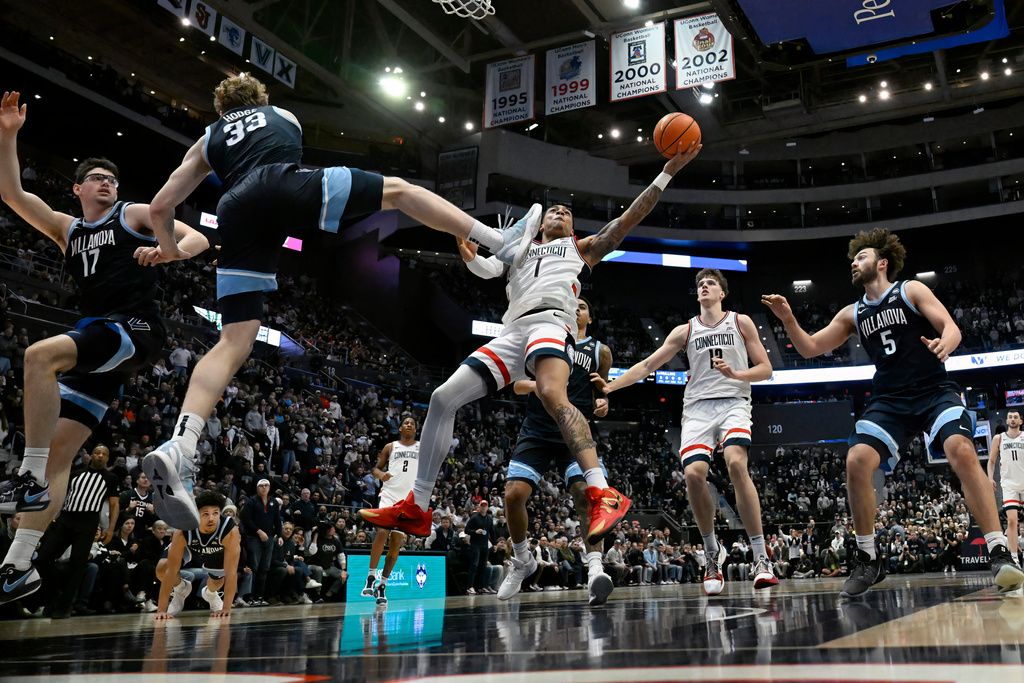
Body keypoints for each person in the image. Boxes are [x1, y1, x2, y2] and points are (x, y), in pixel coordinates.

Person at [140, 73, 536, 530]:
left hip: (234, 207)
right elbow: (282, 166)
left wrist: (169, 250)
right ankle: (497, 240)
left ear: (221, 107)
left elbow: (159, 207)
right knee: (400, 192)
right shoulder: (282, 115)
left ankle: (181, 445)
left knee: (233, 340)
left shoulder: (208, 138)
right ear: (260, 100)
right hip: (278, 183)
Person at [362, 140, 702, 544]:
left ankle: (601, 489)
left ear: (572, 228)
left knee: (551, 394)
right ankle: (417, 507)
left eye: (567, 212)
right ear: (540, 224)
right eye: (554, 210)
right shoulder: (519, 251)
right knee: (441, 397)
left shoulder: (580, 248)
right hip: (511, 331)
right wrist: (468, 253)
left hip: (551, 322)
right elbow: (484, 267)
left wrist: (668, 171)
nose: (560, 212)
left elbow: (628, 219)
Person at [0, 91, 207, 601]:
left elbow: (197, 238)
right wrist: (8, 135)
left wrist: (167, 251)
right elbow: (11, 195)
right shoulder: (66, 229)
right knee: (59, 458)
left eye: (111, 179)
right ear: (78, 189)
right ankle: (18, 565)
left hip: (134, 330)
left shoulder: (132, 214)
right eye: (97, 178)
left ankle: (24, 473)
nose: (107, 183)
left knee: (37, 355)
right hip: (99, 344)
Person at [761, 227, 1024, 597]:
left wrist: (944, 344)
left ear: (882, 263)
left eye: (862, 257)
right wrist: (788, 318)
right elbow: (809, 349)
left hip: (934, 390)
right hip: (889, 400)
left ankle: (999, 551)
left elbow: (951, 327)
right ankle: (868, 558)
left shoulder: (910, 290)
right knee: (856, 461)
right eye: (854, 259)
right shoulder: (852, 312)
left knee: (961, 450)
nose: (854, 262)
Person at [593, 269, 777, 595]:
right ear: (697, 295)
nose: (704, 287)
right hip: (697, 408)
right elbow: (647, 365)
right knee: (693, 474)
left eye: (711, 283)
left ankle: (761, 556)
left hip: (734, 400)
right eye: (700, 285)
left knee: (736, 463)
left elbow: (766, 369)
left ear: (722, 293)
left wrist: (736, 372)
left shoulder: (741, 321)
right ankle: (711, 555)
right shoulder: (686, 330)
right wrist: (611, 387)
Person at [495, 297, 617, 606]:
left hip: (574, 431)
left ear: (590, 316)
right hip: (537, 428)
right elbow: (516, 385)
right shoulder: (544, 338)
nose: (577, 307)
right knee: (513, 494)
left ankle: (594, 569)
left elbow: (600, 392)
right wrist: (537, 386)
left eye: (584, 305)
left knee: (583, 493)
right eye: (572, 303)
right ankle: (523, 561)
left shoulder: (599, 351)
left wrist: (603, 403)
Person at [27, 445, 120, 618]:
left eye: (104, 454)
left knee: (77, 565)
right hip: (66, 519)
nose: (100, 456)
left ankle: (64, 607)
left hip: (88, 523)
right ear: (91, 455)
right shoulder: (76, 473)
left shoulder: (111, 477)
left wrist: (111, 528)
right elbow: (61, 495)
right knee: (43, 559)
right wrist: (51, 514)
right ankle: (53, 596)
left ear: (108, 459)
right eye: (97, 453)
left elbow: (114, 504)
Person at [359, 417, 418, 606]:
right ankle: (370, 578)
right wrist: (380, 474)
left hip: (408, 500)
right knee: (382, 532)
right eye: (406, 423)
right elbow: (375, 469)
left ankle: (382, 586)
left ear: (416, 430)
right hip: (389, 494)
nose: (409, 425)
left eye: (413, 424)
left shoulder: (422, 448)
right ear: (400, 428)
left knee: (395, 545)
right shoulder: (390, 447)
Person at [154, 491, 240, 619]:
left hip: (216, 550)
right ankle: (180, 588)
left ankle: (210, 594)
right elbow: (172, 570)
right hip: (190, 547)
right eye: (205, 514)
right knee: (162, 568)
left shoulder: (229, 530)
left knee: (217, 582)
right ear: (196, 514)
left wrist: (226, 608)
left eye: (215, 513)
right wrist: (161, 610)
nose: (211, 518)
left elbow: (232, 572)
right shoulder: (184, 528)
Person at [988, 409, 1024, 565]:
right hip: (1009, 484)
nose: (1013, 419)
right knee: (1011, 521)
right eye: (1010, 417)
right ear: (1007, 421)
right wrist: (990, 478)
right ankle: (1014, 557)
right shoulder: (999, 438)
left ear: (1021, 421)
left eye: (1016, 417)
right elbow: (991, 461)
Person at [239, 478, 282, 606]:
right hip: (253, 538)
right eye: (261, 485)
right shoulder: (251, 501)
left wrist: (279, 535)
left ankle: (259, 597)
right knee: (254, 567)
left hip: (268, 538)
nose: (264, 488)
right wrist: (258, 531)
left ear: (269, 488)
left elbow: (277, 520)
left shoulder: (273, 502)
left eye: (266, 485)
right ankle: (250, 597)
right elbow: (245, 519)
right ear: (257, 488)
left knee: (264, 568)